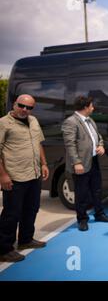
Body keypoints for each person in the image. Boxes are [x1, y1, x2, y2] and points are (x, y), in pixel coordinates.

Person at [0, 94, 49, 262]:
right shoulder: (3, 123)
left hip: (34, 174)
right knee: (11, 214)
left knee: (32, 208)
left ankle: (25, 240)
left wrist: (43, 164)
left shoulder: (33, 121)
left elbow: (39, 143)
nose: (25, 110)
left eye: (29, 107)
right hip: (15, 176)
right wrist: (3, 175)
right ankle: (4, 249)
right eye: (21, 106)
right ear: (14, 104)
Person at [61, 96, 108, 232]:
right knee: (81, 193)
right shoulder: (71, 122)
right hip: (81, 164)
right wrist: (77, 163)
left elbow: (98, 137)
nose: (93, 108)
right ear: (85, 107)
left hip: (93, 160)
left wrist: (100, 145)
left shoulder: (90, 120)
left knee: (97, 189)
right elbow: (70, 144)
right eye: (91, 106)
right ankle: (82, 219)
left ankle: (99, 214)